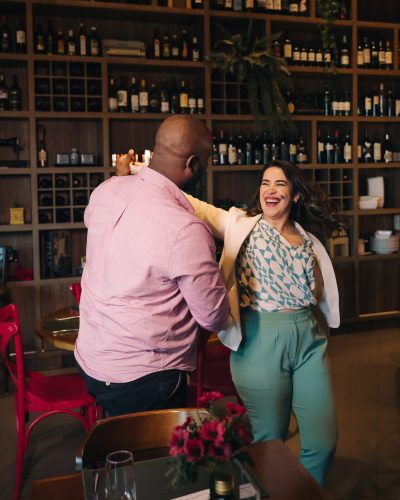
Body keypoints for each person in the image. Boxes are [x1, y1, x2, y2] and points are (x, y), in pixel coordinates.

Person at [116, 157, 343, 486]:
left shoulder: (308, 238)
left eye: (280, 183)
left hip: (310, 338)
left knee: (323, 442)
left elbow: (318, 294)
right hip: (260, 340)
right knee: (270, 442)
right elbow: (193, 204)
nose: (270, 189)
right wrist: (140, 171)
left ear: (295, 195)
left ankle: (304, 494)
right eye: (265, 183)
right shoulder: (242, 225)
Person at [75, 115, 230, 417]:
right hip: (147, 379)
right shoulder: (185, 229)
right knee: (159, 463)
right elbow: (212, 316)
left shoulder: (105, 191)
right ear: (193, 165)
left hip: (92, 363)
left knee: (121, 450)